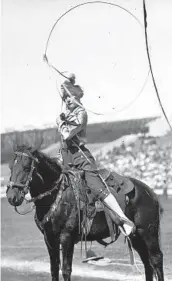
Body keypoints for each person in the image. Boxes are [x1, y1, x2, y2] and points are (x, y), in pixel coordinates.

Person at [56, 72, 135, 236]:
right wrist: (67, 81)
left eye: (70, 97)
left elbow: (66, 134)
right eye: (65, 98)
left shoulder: (81, 113)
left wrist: (60, 122)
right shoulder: (69, 114)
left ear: (78, 97)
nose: (67, 101)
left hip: (80, 157)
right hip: (66, 157)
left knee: (97, 187)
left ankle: (123, 219)